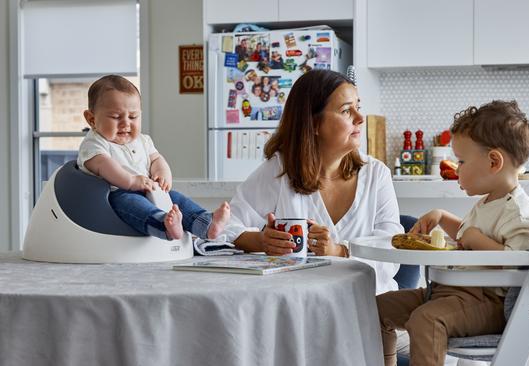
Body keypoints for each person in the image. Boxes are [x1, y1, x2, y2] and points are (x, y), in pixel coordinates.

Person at [377, 100, 529, 366]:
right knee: (376, 308)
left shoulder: (519, 213)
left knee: (426, 320)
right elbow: (466, 233)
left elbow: (519, 263)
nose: (457, 169)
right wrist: (442, 217)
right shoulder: (491, 201)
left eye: (462, 161)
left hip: (487, 303)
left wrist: (478, 241)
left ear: (493, 161)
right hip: (449, 292)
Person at [221, 69, 402, 294]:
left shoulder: (377, 175)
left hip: (369, 310)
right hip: (299, 309)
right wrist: (262, 241)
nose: (360, 118)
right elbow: (226, 227)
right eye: (346, 110)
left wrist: (339, 251)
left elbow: (392, 250)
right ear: (314, 125)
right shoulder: (280, 170)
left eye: (358, 106)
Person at [77, 75, 230, 241]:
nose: (126, 123)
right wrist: (131, 182)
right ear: (91, 119)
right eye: (115, 117)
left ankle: (206, 224)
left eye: (133, 117)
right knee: (134, 206)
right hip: (115, 195)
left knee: (176, 199)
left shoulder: (143, 140)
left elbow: (156, 159)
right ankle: (164, 226)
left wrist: (162, 174)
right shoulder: (94, 143)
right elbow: (103, 165)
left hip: (149, 189)